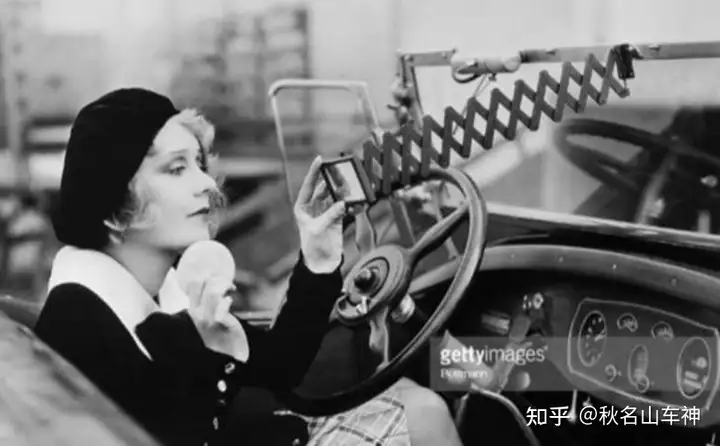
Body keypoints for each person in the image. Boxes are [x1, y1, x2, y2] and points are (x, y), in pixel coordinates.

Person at [34, 88, 463, 446]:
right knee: (428, 412)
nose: (207, 183)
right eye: (177, 169)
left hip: (275, 429)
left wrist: (317, 258)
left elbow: (278, 367)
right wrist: (214, 357)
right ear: (115, 211)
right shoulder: (78, 325)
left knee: (412, 394)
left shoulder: (163, 291)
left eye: (199, 165)